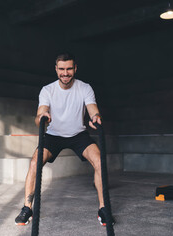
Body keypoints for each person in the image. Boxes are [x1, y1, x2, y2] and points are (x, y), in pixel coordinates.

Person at [15, 53, 113, 226]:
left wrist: (95, 117)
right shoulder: (47, 90)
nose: (65, 73)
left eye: (69, 69)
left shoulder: (85, 88)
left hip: (79, 135)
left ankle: (103, 209)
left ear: (75, 69)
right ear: (56, 69)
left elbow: (92, 109)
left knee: (99, 161)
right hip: (54, 135)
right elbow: (39, 117)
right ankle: (27, 208)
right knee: (34, 163)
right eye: (61, 69)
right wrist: (42, 116)